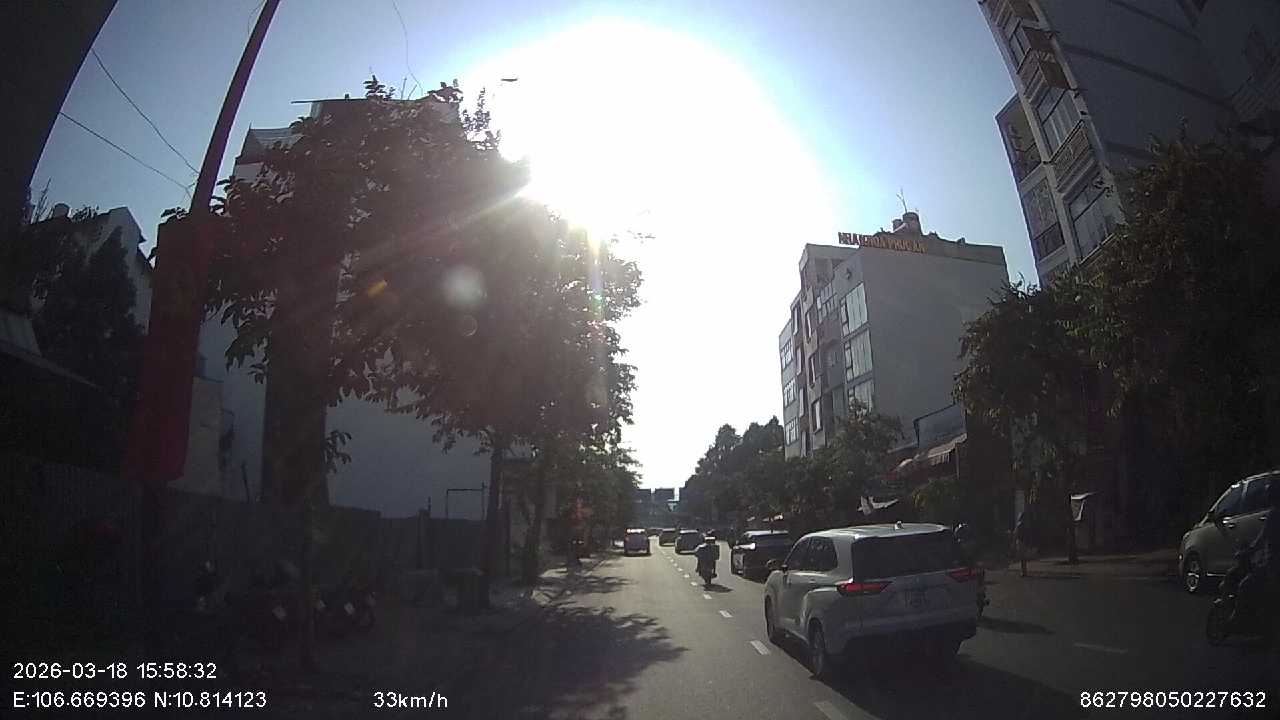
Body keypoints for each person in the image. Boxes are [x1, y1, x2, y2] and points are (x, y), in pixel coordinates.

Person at [1230, 480, 1279, 631]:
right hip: (1270, 564)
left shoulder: (1274, 515)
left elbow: (1261, 540)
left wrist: (1248, 551)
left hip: (1272, 566)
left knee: (1244, 586)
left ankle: (1237, 619)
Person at [1013, 509, 1030, 578]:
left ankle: (1023, 572)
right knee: (1023, 558)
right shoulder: (1025, 525)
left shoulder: (1019, 525)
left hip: (1020, 541)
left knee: (1022, 558)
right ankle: (1024, 571)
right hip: (1023, 542)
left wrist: (1014, 541)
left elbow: (1016, 534)